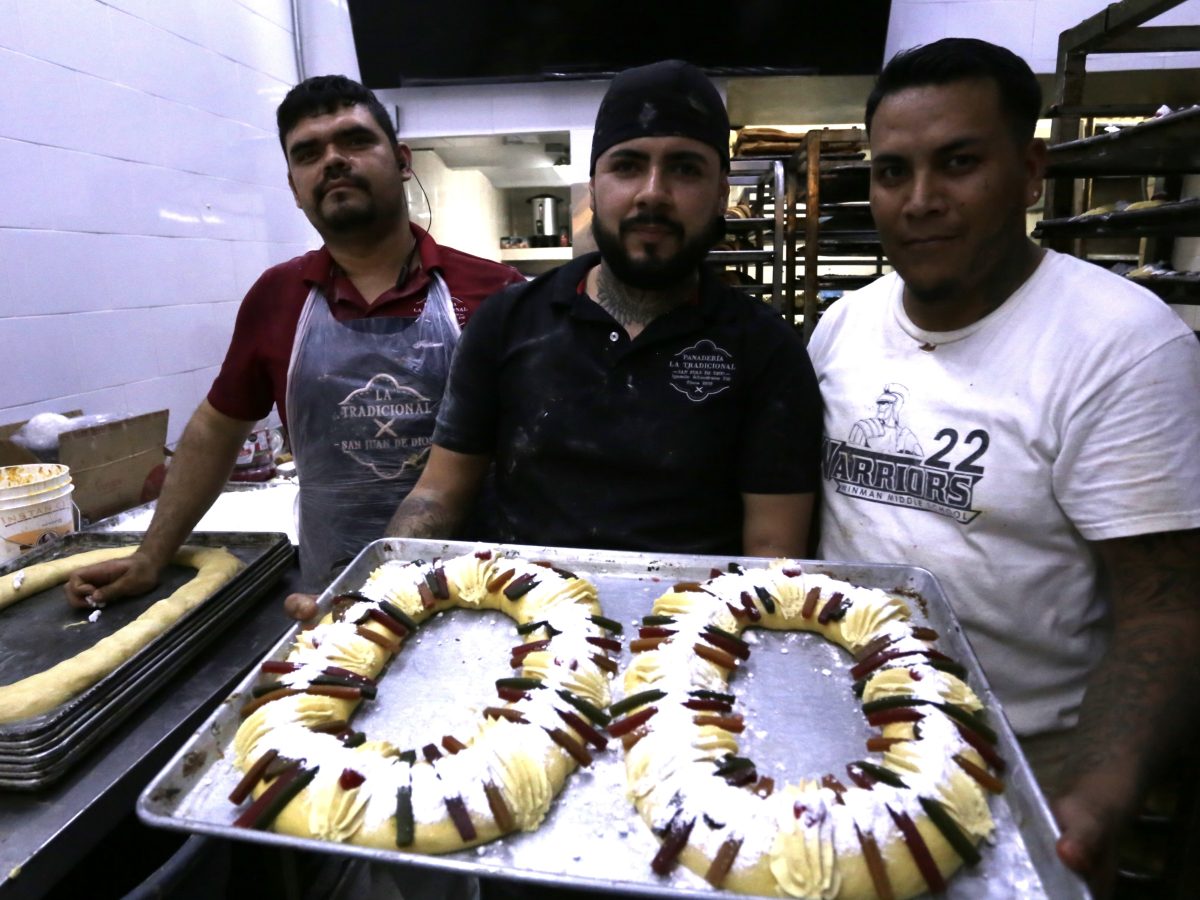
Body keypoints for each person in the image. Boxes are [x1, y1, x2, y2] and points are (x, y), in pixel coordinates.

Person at [807, 37, 1200, 892]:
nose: (920, 201)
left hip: (1016, 759)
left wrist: (1101, 789)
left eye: (958, 164)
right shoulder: (843, 327)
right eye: (892, 171)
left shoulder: (1122, 347)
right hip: (841, 730)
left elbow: (1164, 608)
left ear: (1030, 173)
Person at [66, 74, 525, 605]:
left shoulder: (497, 292)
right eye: (308, 152)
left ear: (402, 161)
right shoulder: (277, 297)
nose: (332, 160)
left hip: (479, 592)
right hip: (326, 597)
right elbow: (217, 428)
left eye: (355, 141)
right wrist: (151, 556)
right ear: (294, 186)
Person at [380, 59, 822, 563]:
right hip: (519, 618)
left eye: (685, 168)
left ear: (721, 193)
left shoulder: (766, 349)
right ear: (595, 187)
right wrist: (382, 587)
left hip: (695, 627)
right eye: (627, 166)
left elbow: (772, 552)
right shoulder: (507, 322)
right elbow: (438, 496)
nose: (653, 192)